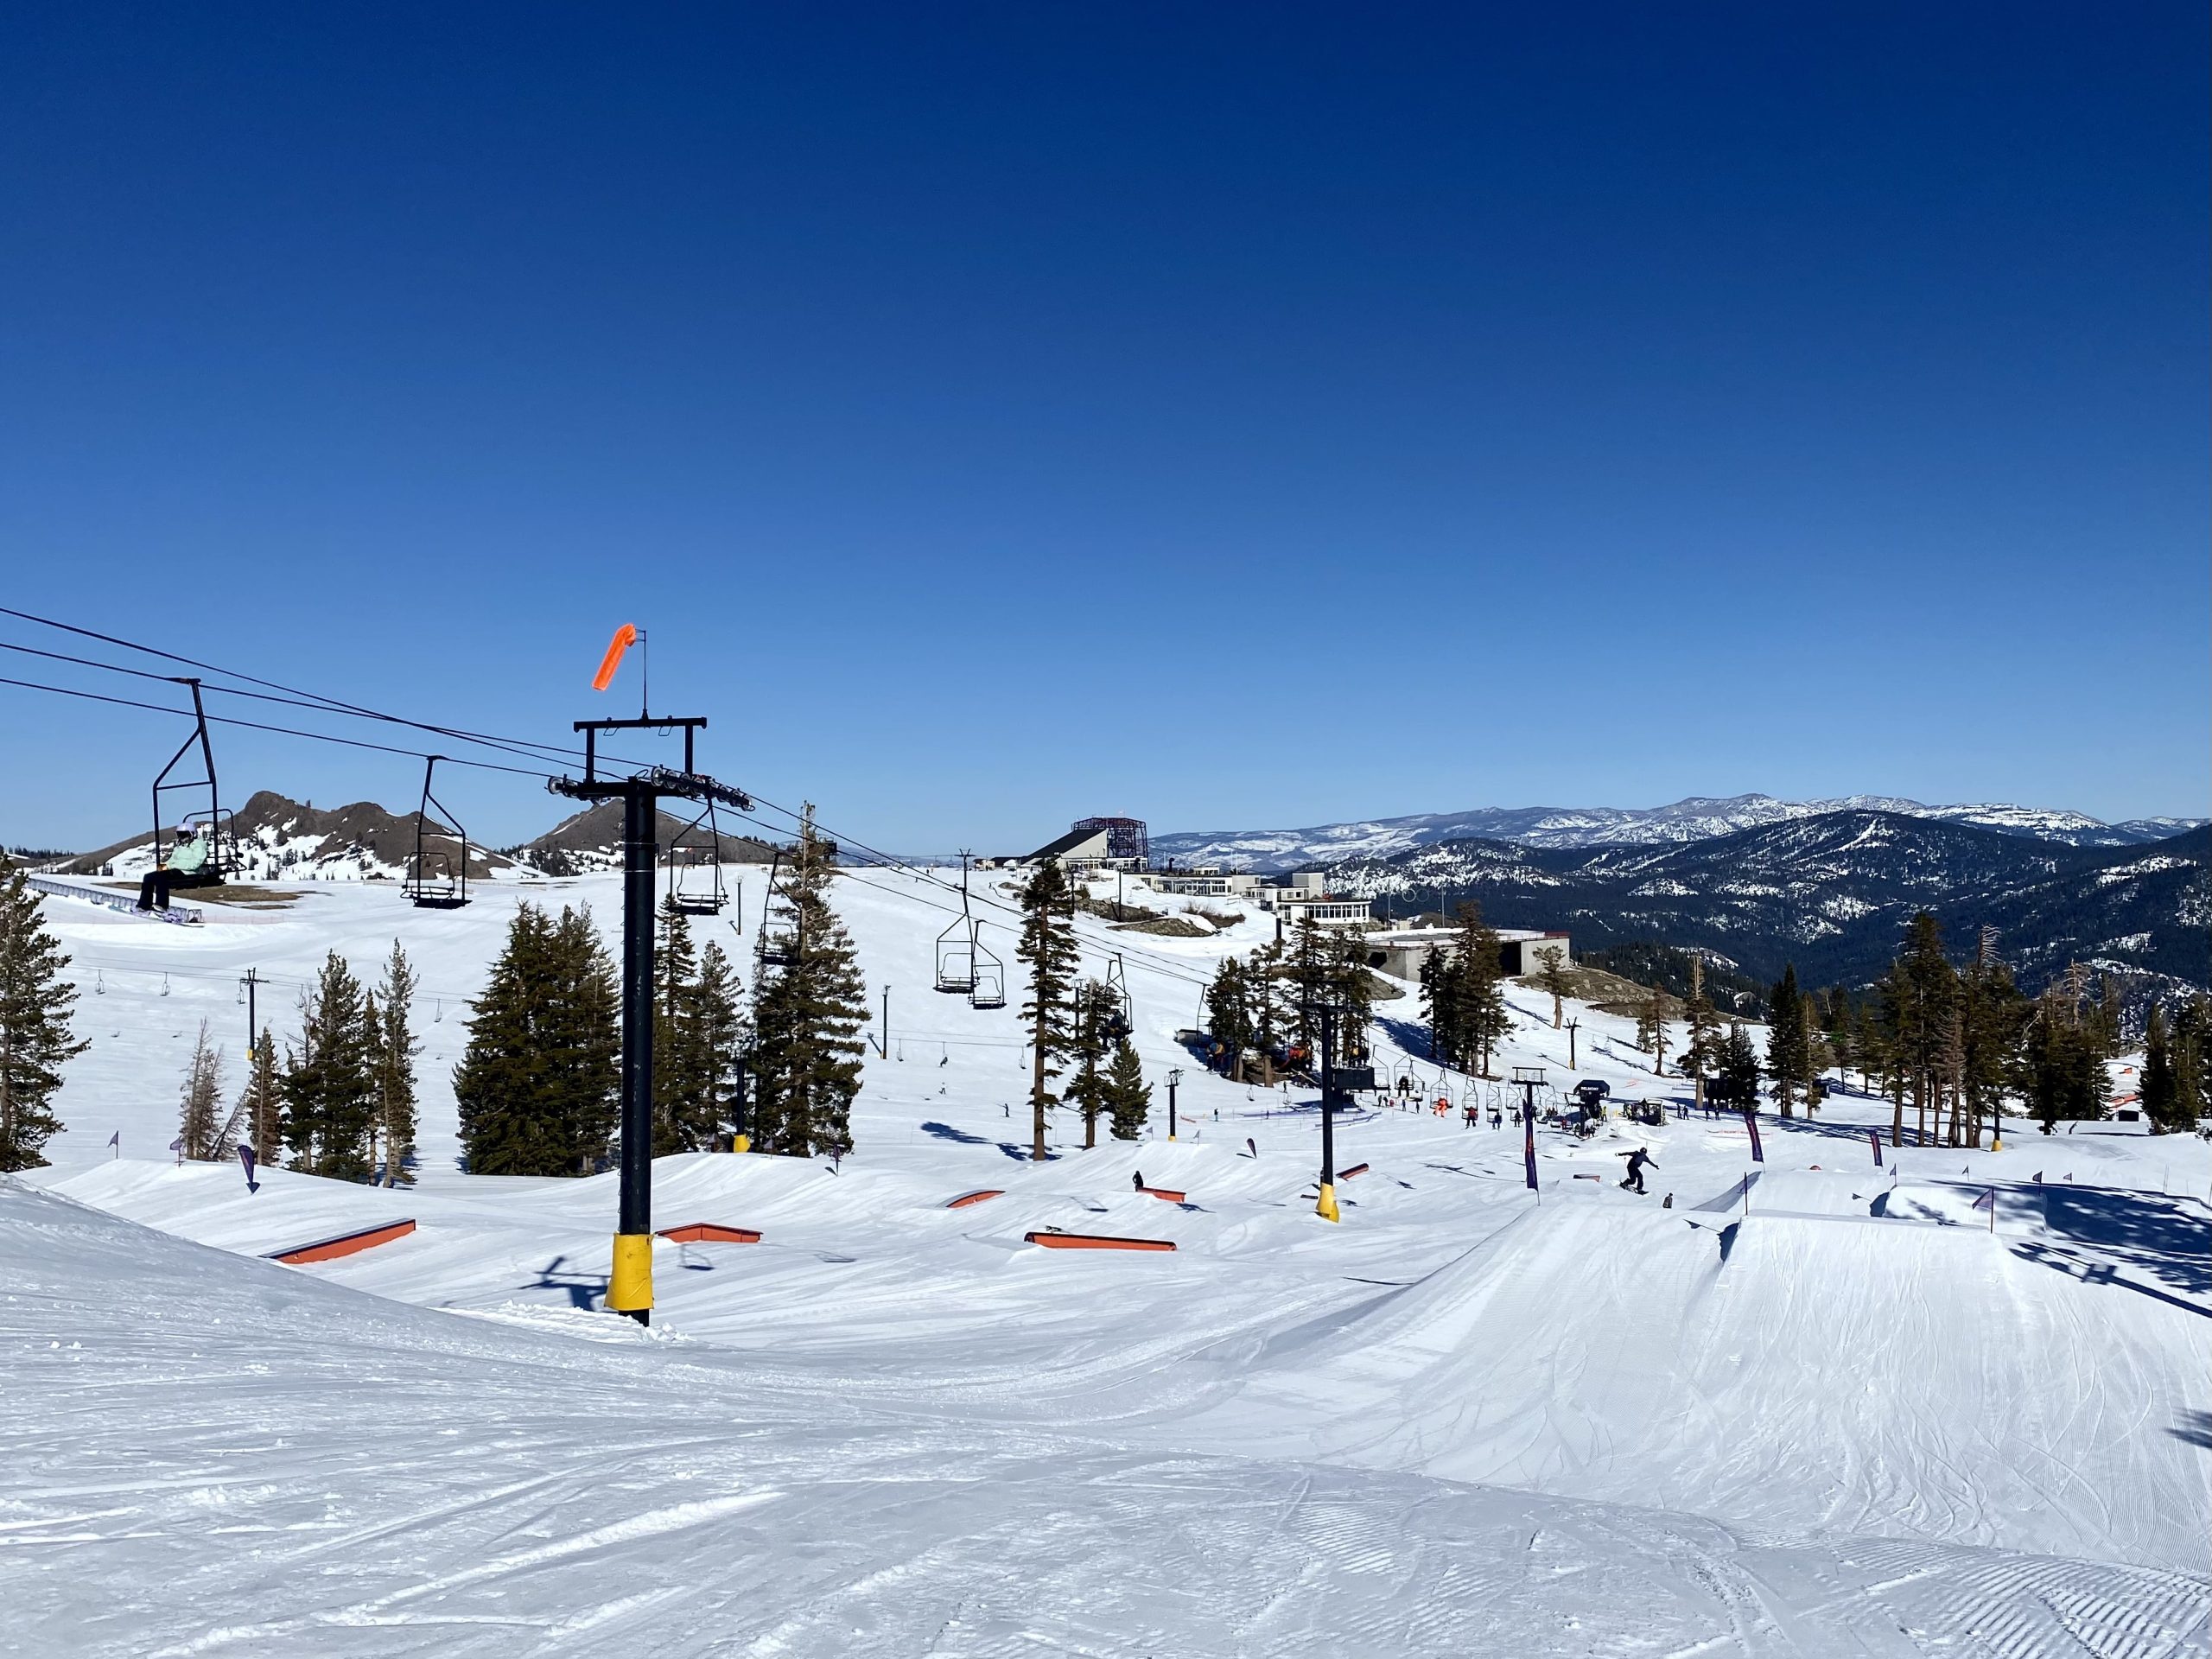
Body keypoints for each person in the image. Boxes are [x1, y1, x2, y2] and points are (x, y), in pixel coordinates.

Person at [136, 824, 208, 912]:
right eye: (180, 835)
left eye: (184, 835)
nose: (182, 838)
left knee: (161, 877)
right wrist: (162, 867)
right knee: (149, 876)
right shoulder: (180, 847)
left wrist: (172, 866)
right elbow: (172, 861)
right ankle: (144, 905)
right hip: (176, 870)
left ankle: (162, 905)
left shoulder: (199, 846)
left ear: (192, 834)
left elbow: (195, 863)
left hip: (188, 873)